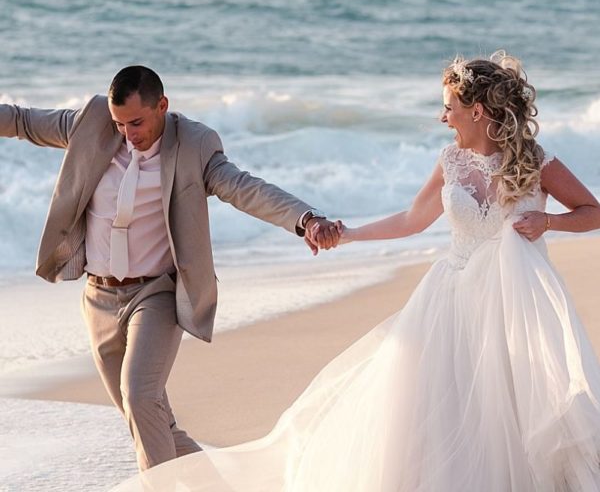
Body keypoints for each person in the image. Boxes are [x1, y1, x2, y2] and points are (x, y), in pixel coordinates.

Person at [112, 51, 600, 491]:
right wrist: (347, 235)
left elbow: (592, 211)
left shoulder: (534, 161)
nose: (442, 115)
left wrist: (549, 221)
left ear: (477, 110)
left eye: (449, 106)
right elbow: (412, 220)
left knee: (515, 402)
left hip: (515, 298)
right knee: (447, 405)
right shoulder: (451, 160)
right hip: (454, 295)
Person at [0, 66, 341, 471]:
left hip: (156, 294)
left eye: (137, 122)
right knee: (152, 421)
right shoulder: (91, 123)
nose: (128, 133)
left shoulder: (194, 145)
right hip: (99, 298)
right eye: (119, 123)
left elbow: (245, 188)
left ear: (162, 106)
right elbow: (21, 120)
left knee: (140, 397)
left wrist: (306, 219)